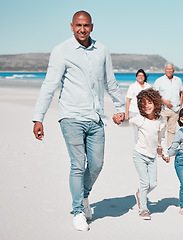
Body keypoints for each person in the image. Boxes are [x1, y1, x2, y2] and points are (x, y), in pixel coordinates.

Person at [32, 11, 125, 231]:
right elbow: (49, 85)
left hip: (96, 117)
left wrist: (121, 107)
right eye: (78, 25)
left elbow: (110, 82)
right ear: (71, 26)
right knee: (77, 164)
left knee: (96, 164)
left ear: (92, 26)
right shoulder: (61, 51)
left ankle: (83, 197)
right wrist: (38, 117)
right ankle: (77, 211)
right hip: (71, 116)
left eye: (86, 25)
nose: (82, 29)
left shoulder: (101, 50)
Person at [113, 88, 170, 220]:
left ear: (156, 103)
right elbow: (126, 123)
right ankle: (143, 209)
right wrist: (119, 121)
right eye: (144, 104)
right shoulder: (140, 119)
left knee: (153, 183)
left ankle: (140, 194)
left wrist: (165, 153)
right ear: (140, 106)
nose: (147, 106)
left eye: (149, 102)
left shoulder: (161, 121)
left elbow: (162, 138)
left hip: (152, 157)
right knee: (145, 183)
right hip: (139, 155)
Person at [153, 62, 183, 150]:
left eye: (171, 69)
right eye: (167, 69)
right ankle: (159, 147)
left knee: (172, 130)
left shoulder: (178, 80)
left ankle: (170, 148)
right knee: (161, 129)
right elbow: (155, 94)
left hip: (175, 110)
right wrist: (164, 102)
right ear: (164, 70)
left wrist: (180, 107)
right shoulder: (159, 80)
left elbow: (181, 93)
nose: (169, 71)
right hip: (163, 109)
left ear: (173, 70)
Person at [125, 69, 151, 142]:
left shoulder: (148, 86)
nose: (141, 77)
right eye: (139, 75)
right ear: (136, 77)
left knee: (145, 130)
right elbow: (128, 100)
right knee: (136, 131)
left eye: (142, 75)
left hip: (146, 112)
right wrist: (126, 114)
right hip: (134, 111)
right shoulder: (132, 86)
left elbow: (151, 100)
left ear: (145, 77)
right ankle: (138, 147)